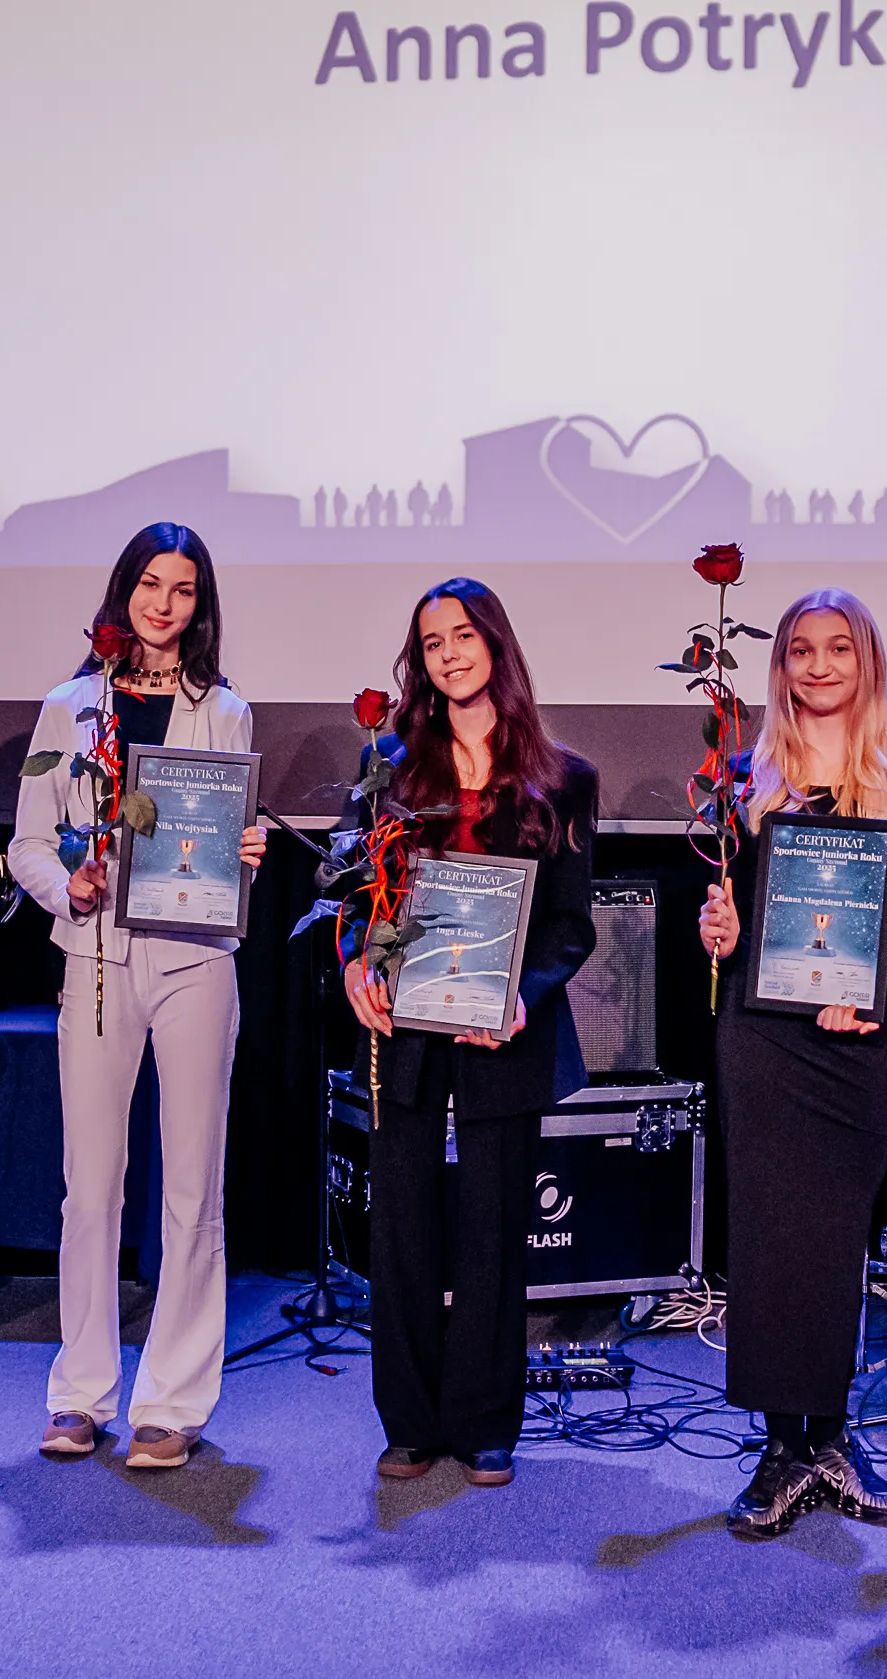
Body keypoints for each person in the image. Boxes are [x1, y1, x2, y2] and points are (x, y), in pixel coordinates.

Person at [7, 523, 264, 1469]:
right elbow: (27, 844)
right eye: (151, 584)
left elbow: (223, 843)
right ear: (123, 592)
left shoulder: (226, 712)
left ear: (201, 606)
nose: (164, 604)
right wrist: (64, 886)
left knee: (193, 1185)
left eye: (183, 589)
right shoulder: (69, 707)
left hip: (195, 958)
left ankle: (174, 1401)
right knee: (91, 1188)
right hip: (96, 959)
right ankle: (80, 1393)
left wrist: (246, 855)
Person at [695, 587, 887, 1536]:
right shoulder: (745, 779)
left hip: (856, 1041)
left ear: (867, 661)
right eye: (801, 650)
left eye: (839, 648)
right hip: (763, 1040)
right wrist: (719, 930)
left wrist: (876, 985)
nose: (820, 665)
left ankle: (833, 1441)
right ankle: (779, 1451)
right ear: (782, 666)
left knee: (837, 1240)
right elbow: (733, 922)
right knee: (766, 1239)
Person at [341, 578, 597, 1489]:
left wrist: (522, 996)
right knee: (402, 1228)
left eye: (463, 636)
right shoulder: (388, 765)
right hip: (404, 1029)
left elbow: (571, 926)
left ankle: (487, 1424)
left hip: (505, 1032)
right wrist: (355, 965)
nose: (449, 654)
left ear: (495, 643)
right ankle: (410, 1424)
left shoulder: (563, 777)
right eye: (432, 642)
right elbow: (352, 895)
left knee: (494, 1230)